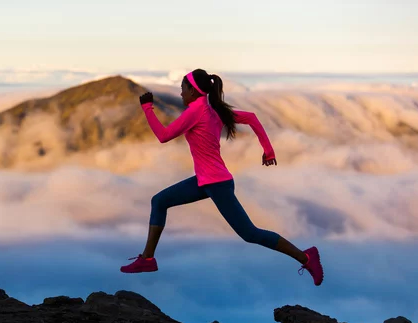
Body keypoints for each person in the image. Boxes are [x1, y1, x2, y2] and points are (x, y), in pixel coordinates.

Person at [120, 69, 324, 286]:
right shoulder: (212, 110)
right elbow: (252, 118)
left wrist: (147, 108)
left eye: (182, 89)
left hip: (217, 184)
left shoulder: (196, 112)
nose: (180, 94)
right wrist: (268, 150)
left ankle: (306, 257)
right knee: (159, 201)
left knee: (250, 233)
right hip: (204, 181)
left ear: (192, 90)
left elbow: (163, 136)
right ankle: (148, 259)